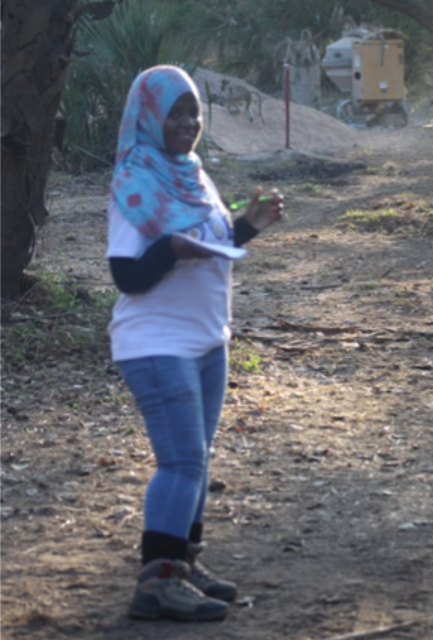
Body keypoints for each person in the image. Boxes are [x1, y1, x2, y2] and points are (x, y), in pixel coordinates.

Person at [106, 65, 283, 622]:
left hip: (207, 340)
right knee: (182, 462)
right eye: (174, 114)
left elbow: (213, 241)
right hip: (157, 343)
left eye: (193, 112)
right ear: (149, 117)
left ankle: (182, 561)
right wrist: (172, 252)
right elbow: (126, 275)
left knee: (197, 462)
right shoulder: (137, 180)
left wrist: (247, 224)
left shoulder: (192, 173)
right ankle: (156, 582)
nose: (187, 123)